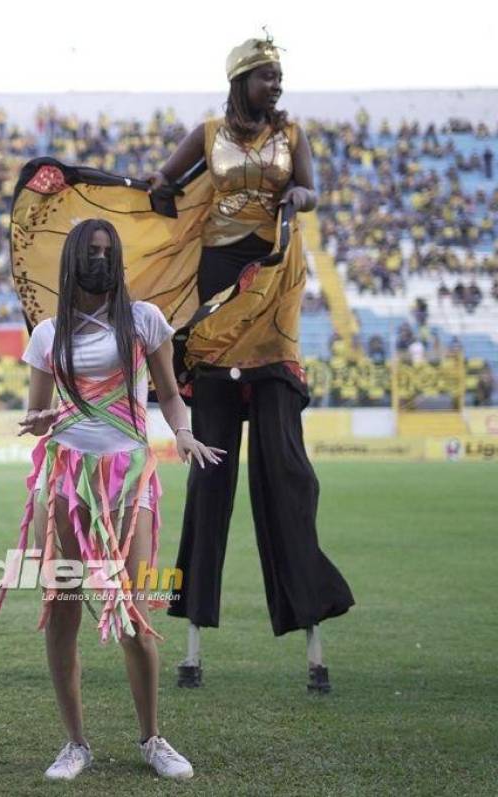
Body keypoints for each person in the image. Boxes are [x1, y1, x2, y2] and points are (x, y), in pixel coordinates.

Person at [146, 34, 354, 690]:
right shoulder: (206, 132)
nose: (277, 87)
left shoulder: (295, 135)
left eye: (281, 77)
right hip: (216, 291)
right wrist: (160, 198)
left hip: (272, 288)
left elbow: (314, 191)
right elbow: (163, 179)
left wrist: (300, 198)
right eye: (267, 77)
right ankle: (191, 641)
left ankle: (313, 631)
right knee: (209, 480)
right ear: (240, 80)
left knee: (285, 473)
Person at [0, 219, 221, 781]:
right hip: (68, 482)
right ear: (72, 260)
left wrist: (183, 431)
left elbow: (168, 390)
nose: (98, 259)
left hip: (128, 479)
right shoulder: (47, 334)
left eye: (106, 251)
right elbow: (40, 414)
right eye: (89, 252)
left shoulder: (144, 320)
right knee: (63, 612)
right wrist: (41, 421)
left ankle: (152, 738)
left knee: (135, 612)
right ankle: (75, 744)